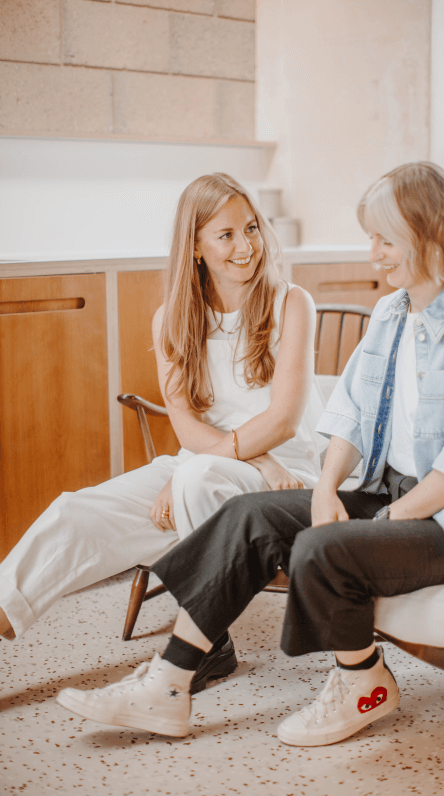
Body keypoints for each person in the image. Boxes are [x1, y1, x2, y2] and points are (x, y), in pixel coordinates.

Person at [57, 162, 444, 746]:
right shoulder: (391, 313)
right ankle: (168, 684)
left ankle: (363, 681)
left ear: (429, 234)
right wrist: (326, 489)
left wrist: (382, 521)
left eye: (385, 240)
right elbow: (350, 415)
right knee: (248, 516)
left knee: (324, 547)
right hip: (395, 495)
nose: (373, 255)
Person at [0, 173, 326, 693]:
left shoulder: (292, 303)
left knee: (196, 479)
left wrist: (249, 462)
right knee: (75, 513)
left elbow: (283, 420)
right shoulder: (171, 318)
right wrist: (244, 459)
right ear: (195, 247)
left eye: (251, 228)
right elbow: (187, 427)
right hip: (208, 463)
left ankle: (207, 645)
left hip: (288, 474)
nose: (246, 246)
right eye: (225, 235)